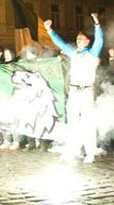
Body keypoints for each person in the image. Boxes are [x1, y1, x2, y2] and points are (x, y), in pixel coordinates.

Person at [44, 12, 103, 164]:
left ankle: (90, 152)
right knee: (72, 122)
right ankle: (73, 150)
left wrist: (97, 23)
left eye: (81, 39)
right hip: (74, 91)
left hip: (86, 91)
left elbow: (100, 40)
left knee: (87, 122)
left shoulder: (92, 53)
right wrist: (50, 30)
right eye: (77, 39)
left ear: (88, 41)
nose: (78, 40)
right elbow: (61, 44)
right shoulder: (73, 52)